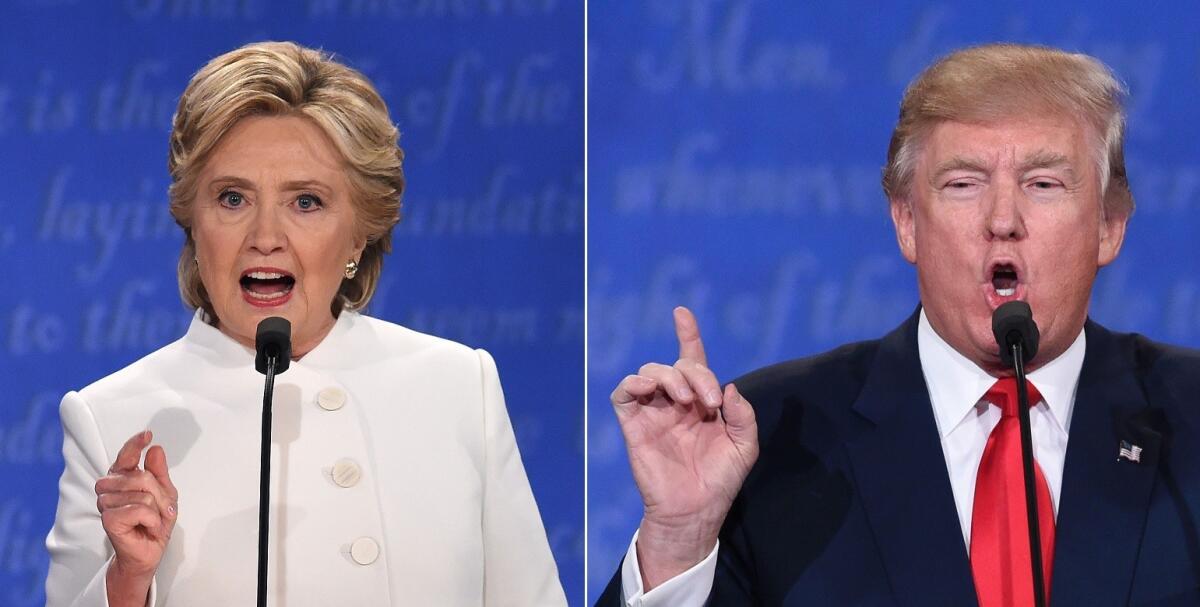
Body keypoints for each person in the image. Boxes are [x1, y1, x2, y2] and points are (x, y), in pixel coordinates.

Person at [598, 43, 1200, 606]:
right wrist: (679, 539)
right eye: (963, 184)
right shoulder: (773, 438)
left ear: (1109, 225)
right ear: (907, 222)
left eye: (1043, 184)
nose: (1003, 220)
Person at [44, 41, 567, 607]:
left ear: (359, 234)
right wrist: (128, 581)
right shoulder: (112, 418)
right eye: (233, 197)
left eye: (307, 202)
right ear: (194, 222)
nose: (265, 236)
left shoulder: (460, 385)